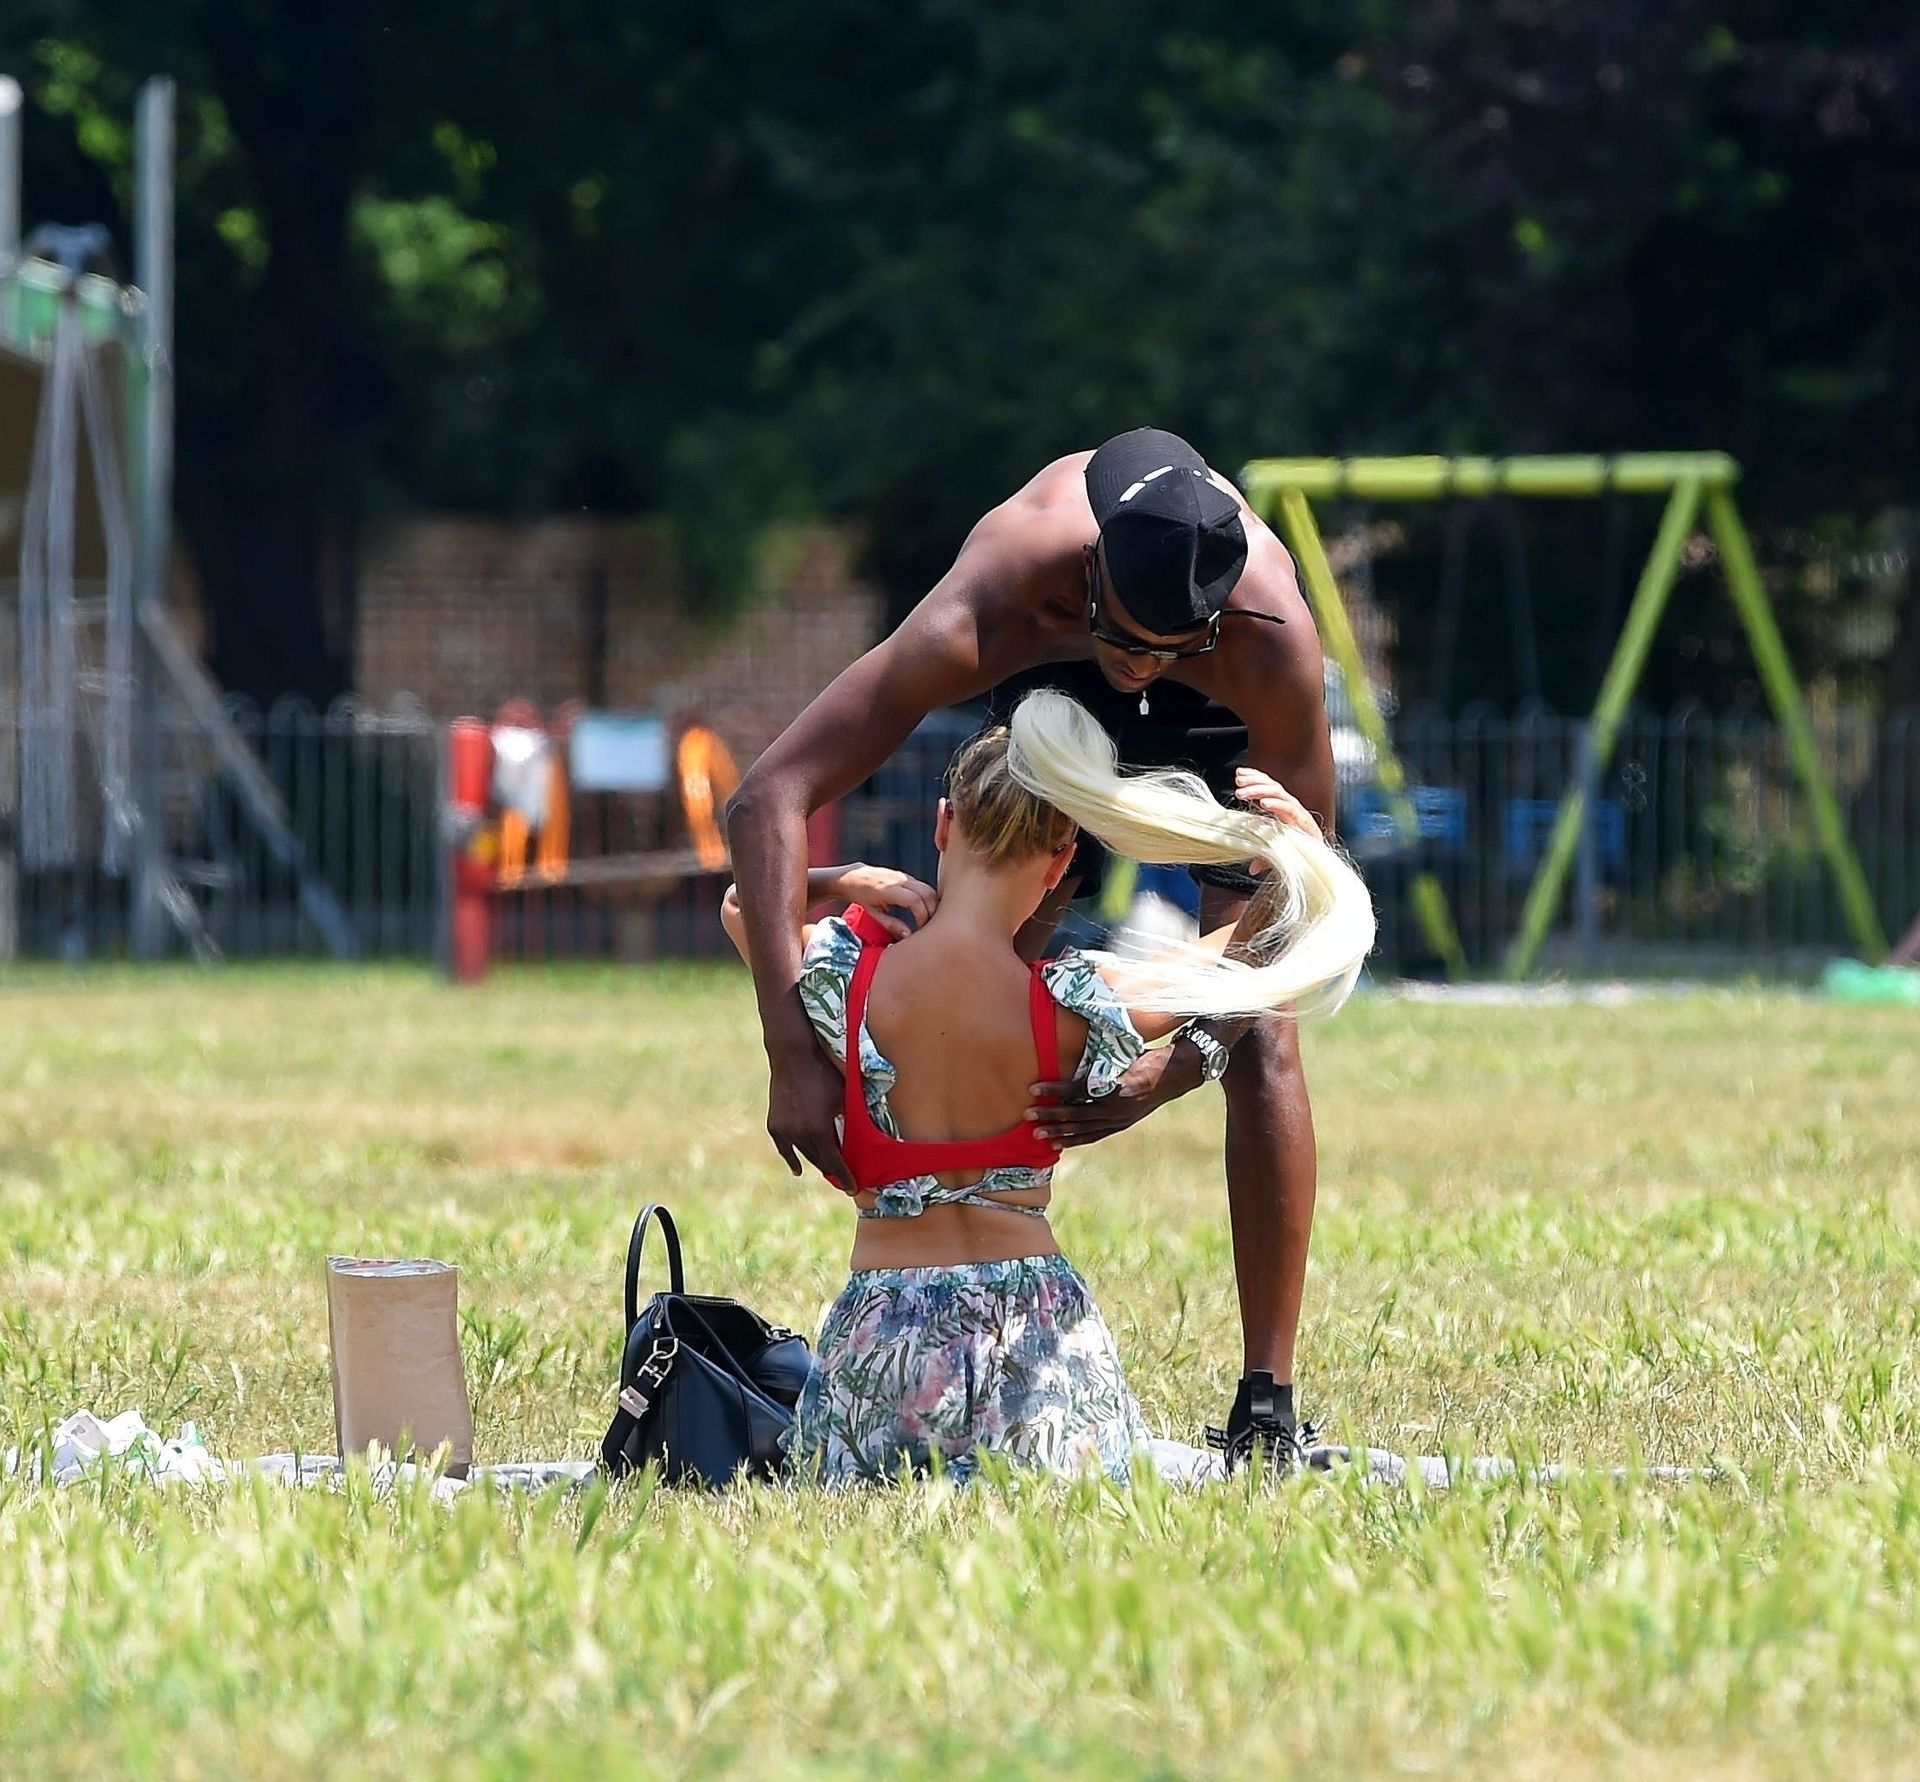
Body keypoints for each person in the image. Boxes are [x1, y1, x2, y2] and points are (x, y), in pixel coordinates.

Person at [726, 427, 1339, 1465]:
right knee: (999, 979)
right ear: (1089, 577)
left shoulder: (1266, 641)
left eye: (1166, 649)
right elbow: (770, 794)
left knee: (1264, 1039)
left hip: (1217, 733)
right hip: (1050, 698)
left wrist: (1178, 1065)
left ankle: (1267, 1398)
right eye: (1130, 639)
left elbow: (1298, 904)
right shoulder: (1001, 591)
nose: (1143, 668)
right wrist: (792, 1056)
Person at [720, 692, 1373, 1483]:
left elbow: (740, 905)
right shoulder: (1076, 999)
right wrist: (1292, 854)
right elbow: (1250, 949)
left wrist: (852, 879)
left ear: (942, 826)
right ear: (1064, 860)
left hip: (880, 1343)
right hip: (1034, 1349)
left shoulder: (844, 977)